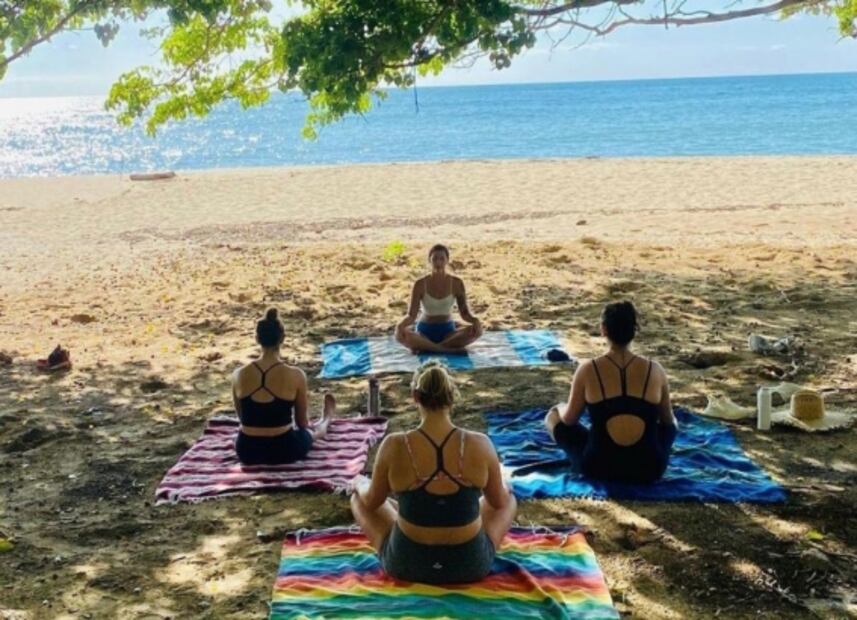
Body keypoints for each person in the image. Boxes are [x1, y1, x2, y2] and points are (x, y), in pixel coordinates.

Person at [350, 361, 516, 584]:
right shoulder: (480, 443)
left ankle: (412, 515)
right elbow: (498, 502)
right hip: (468, 565)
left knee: (359, 500)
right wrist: (504, 484)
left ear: (415, 396)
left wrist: (359, 483)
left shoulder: (395, 445)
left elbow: (371, 502)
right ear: (452, 396)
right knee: (508, 499)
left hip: (407, 564)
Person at [544, 301, 677, 483]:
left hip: (598, 467)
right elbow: (667, 421)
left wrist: (559, 408)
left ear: (603, 330)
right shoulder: (655, 370)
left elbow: (569, 420)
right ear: (634, 330)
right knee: (671, 426)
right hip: (649, 468)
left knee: (553, 418)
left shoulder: (588, 370)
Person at [232, 308, 334, 465]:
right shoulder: (296, 375)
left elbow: (243, 419)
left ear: (257, 338)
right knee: (310, 432)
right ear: (282, 338)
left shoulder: (238, 374)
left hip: (247, 450)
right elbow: (301, 423)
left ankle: (324, 420)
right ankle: (326, 420)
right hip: (284, 450)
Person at [395, 244, 483, 353]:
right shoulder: (420, 284)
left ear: (447, 260)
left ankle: (430, 348)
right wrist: (401, 325)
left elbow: (464, 313)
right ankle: (444, 350)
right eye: (435, 259)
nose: (438, 262)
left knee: (476, 331)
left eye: (442, 258)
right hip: (424, 331)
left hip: (448, 332)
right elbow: (411, 316)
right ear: (429, 260)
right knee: (400, 334)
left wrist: (475, 321)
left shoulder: (456, 283)